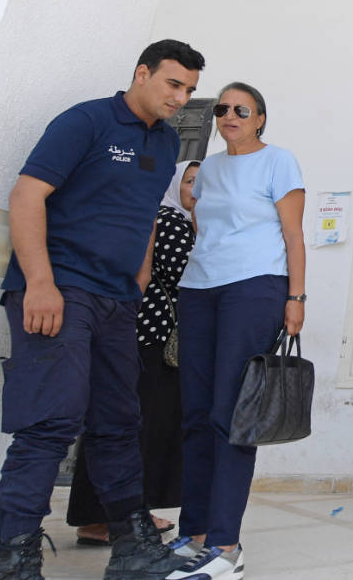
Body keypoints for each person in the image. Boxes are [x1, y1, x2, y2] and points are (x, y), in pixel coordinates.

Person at [0, 39, 205, 580]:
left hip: (117, 300)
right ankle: (11, 549)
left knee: (118, 422)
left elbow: (143, 215)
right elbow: (26, 196)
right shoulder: (86, 121)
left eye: (189, 90)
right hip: (60, 288)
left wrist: (136, 279)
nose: (180, 98)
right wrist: (39, 281)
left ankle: (132, 546)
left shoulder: (163, 142)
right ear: (142, 74)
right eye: (173, 84)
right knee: (51, 419)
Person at [166, 82, 305, 580]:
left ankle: (225, 546)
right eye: (222, 108)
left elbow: (293, 234)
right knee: (196, 413)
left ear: (260, 118)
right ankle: (193, 534)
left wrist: (296, 296)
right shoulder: (210, 169)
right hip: (200, 288)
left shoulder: (278, 161)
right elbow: (207, 227)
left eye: (240, 109)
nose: (229, 115)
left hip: (255, 289)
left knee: (231, 414)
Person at [67, 160, 200, 546]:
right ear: (175, 185)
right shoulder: (170, 220)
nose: (196, 189)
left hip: (147, 339)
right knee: (134, 426)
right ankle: (107, 517)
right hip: (150, 340)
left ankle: (122, 513)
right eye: (189, 182)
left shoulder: (176, 219)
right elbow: (184, 276)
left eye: (203, 183)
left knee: (137, 426)